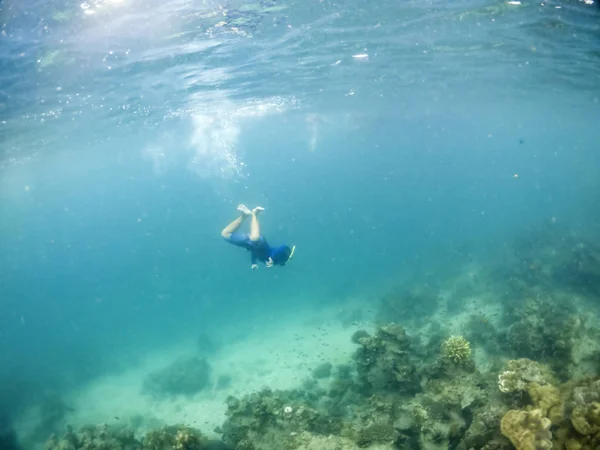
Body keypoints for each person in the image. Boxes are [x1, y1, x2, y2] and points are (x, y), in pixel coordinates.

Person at [221, 204, 295, 270]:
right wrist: (272, 257)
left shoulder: (272, 262)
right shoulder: (279, 257)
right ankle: (254, 214)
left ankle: (244, 215)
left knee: (225, 234)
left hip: (248, 244)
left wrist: (253, 263)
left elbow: (255, 253)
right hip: (261, 243)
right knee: (254, 239)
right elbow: (283, 247)